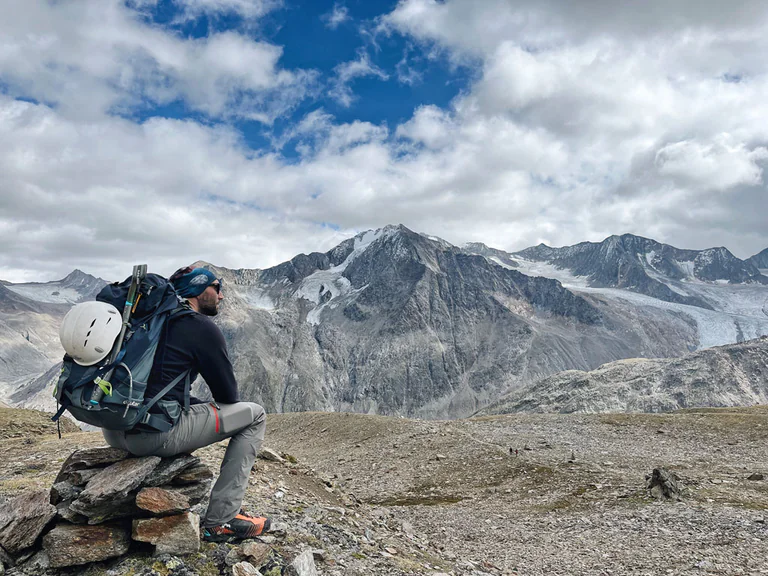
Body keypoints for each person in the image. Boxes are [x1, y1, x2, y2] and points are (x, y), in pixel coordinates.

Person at [103, 266, 271, 542]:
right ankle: (222, 521)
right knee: (254, 415)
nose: (221, 296)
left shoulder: (148, 319)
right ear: (198, 289)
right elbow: (228, 396)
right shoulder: (200, 327)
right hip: (154, 435)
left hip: (114, 428)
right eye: (217, 288)